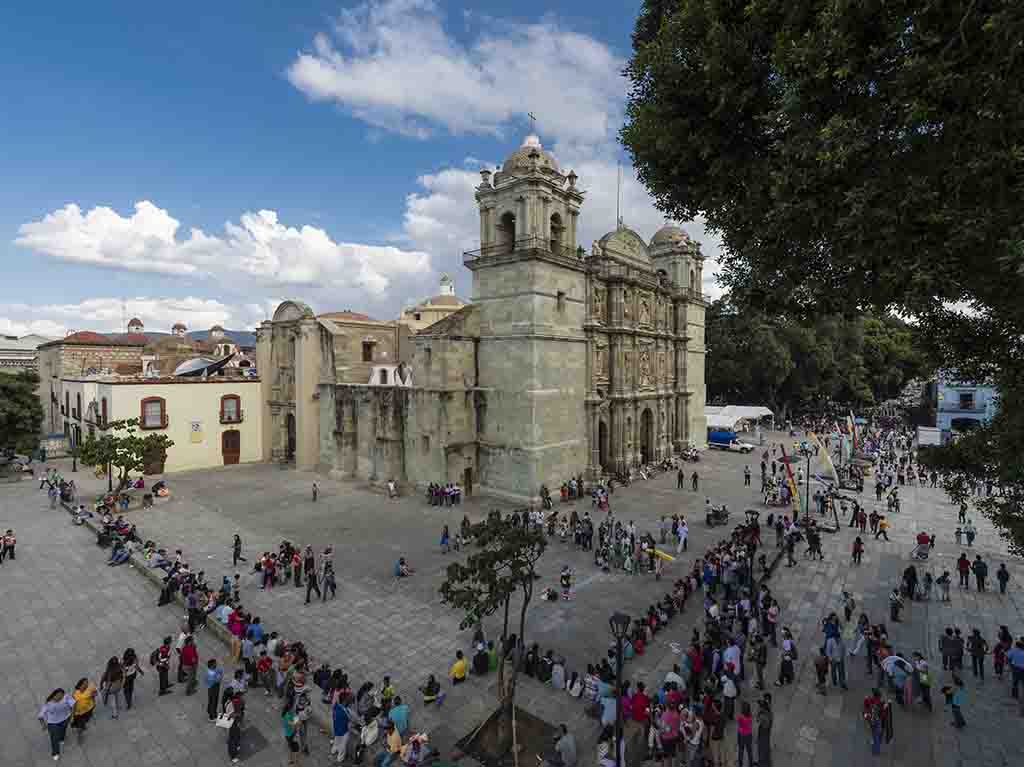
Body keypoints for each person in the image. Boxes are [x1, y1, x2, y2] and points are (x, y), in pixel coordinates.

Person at [39, 688, 75, 761]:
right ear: (54, 695)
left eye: (61, 695)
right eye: (58, 696)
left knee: (63, 730)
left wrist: (72, 715)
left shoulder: (66, 697)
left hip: (65, 718)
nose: (60, 698)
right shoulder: (48, 704)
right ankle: (55, 753)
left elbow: (73, 704)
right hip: (53, 723)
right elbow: (40, 715)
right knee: (54, 738)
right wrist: (43, 724)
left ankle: (61, 739)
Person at [736, 701, 755, 767]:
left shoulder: (740, 717)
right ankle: (751, 763)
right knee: (749, 750)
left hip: (741, 735)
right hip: (749, 735)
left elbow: (739, 726)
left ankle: (740, 764)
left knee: (741, 750)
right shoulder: (750, 716)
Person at [756, 695, 773, 767]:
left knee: (762, 748)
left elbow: (757, 719)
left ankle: (762, 764)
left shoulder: (763, 715)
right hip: (766, 731)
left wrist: (759, 712)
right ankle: (766, 763)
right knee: (766, 748)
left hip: (763, 732)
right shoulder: (769, 712)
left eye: (760, 706)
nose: (758, 707)